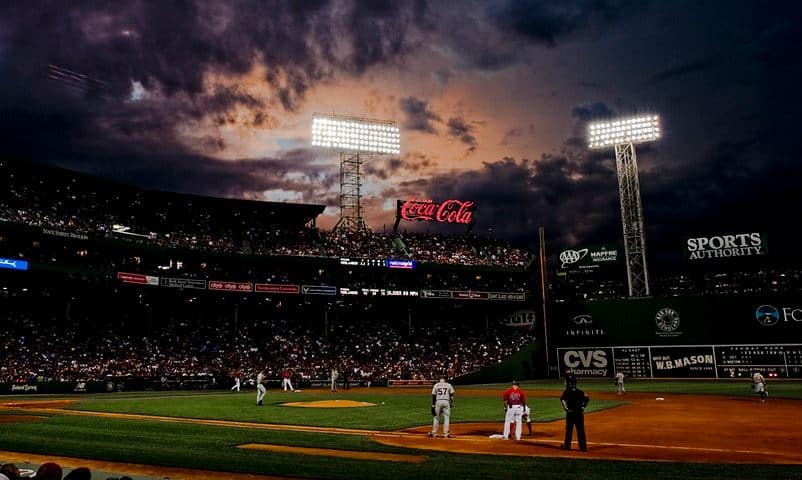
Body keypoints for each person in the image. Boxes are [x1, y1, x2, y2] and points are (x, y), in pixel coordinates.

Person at [560, 383, 590, 451]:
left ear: (570, 384)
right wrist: (583, 406)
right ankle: (583, 447)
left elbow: (562, 399)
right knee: (581, 430)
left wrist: (565, 408)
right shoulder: (580, 391)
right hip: (579, 413)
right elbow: (587, 399)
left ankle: (567, 446)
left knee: (569, 430)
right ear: (576, 384)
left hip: (570, 413)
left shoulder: (567, 391)